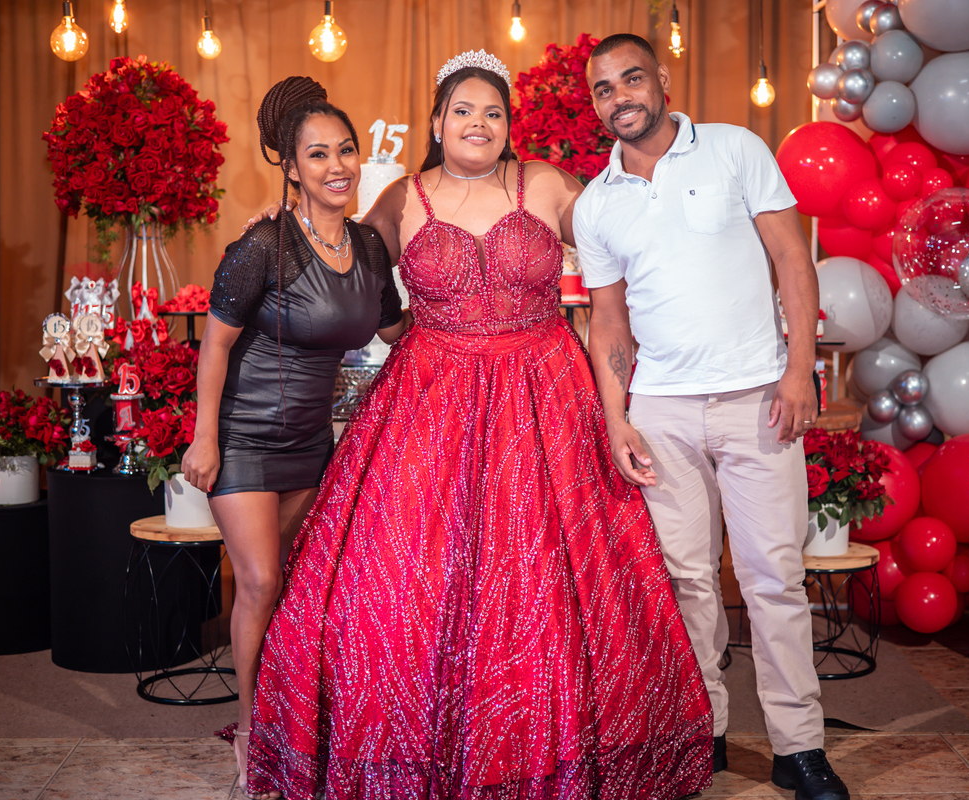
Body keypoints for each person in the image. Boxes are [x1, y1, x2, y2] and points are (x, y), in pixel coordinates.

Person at [242, 51, 713, 800]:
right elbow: (338, 253)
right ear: (437, 121)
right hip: (431, 401)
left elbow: (622, 258)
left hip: (547, 396)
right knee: (404, 575)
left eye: (493, 112)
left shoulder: (549, 184)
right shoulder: (402, 197)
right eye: (462, 110)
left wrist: (621, 408)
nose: (478, 123)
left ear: (508, 125)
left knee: (548, 578)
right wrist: (284, 222)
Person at [575, 34, 851, 800]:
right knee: (686, 582)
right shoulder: (596, 204)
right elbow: (608, 321)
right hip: (660, 409)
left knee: (774, 579)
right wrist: (616, 418)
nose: (620, 97)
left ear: (662, 79)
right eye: (603, 88)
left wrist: (800, 369)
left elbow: (792, 259)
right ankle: (704, 732)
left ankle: (799, 748)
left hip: (758, 397)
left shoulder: (734, 149)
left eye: (632, 79)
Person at [181, 77, 408, 800]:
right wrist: (204, 438)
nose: (336, 166)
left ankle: (290, 721)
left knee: (298, 589)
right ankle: (252, 733)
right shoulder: (263, 245)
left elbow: (399, 331)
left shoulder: (368, 247)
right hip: (244, 437)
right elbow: (215, 346)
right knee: (260, 581)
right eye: (318, 154)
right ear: (291, 166)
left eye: (346, 150)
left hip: (313, 444)